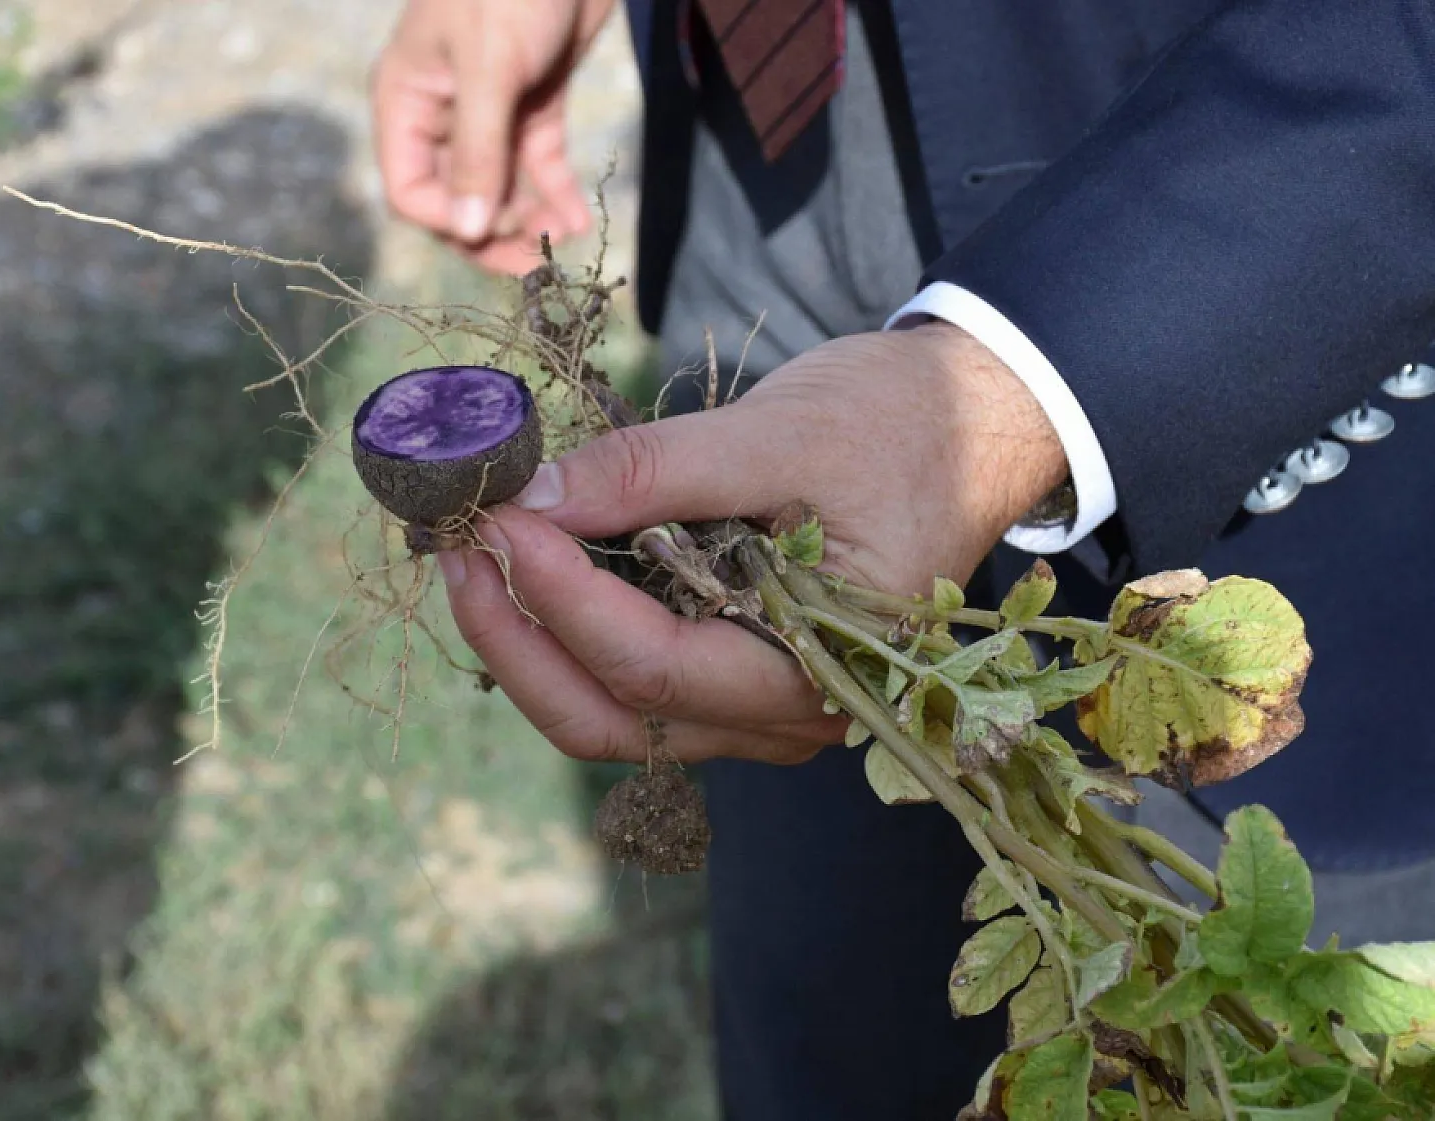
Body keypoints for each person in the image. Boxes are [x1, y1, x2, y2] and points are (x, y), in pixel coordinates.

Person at [370, 0, 1435, 1116]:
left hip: (1221, 210)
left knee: (1251, 1024)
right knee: (835, 1014)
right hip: (760, 189)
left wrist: (1010, 389)